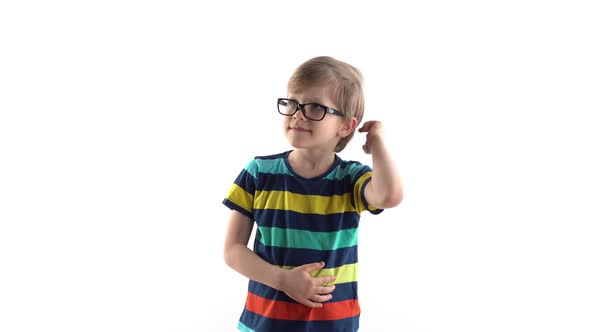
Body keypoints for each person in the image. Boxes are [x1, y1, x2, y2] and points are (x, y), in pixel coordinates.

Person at [222, 56, 403, 332]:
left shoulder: (351, 179)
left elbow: (390, 195)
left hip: (332, 325)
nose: (297, 114)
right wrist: (283, 280)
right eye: (292, 103)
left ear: (346, 126)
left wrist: (377, 141)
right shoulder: (259, 172)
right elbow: (233, 251)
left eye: (315, 107)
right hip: (264, 324)